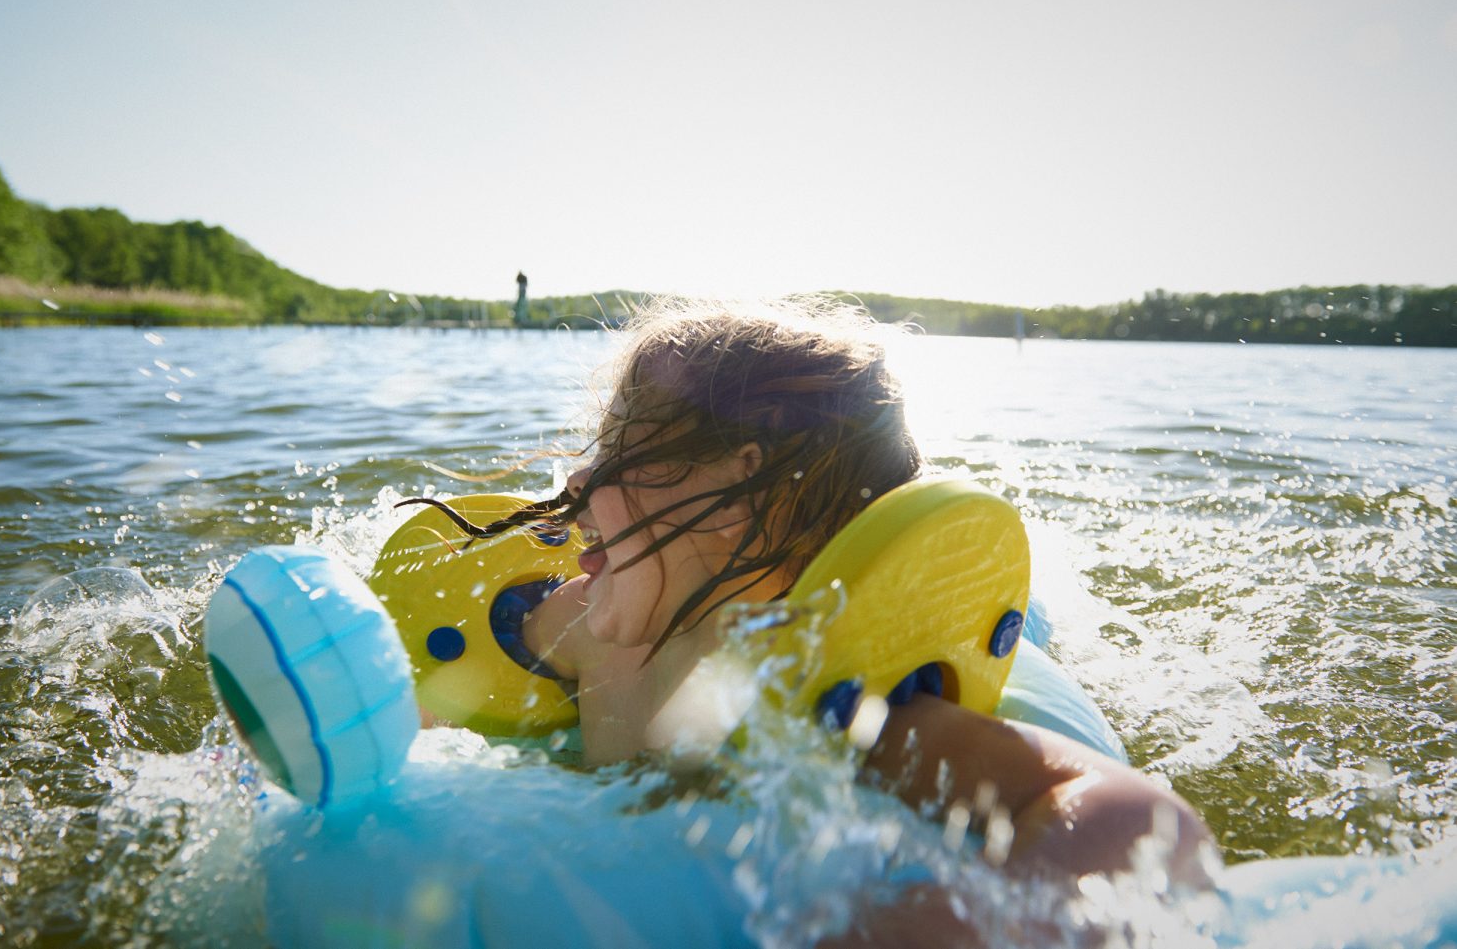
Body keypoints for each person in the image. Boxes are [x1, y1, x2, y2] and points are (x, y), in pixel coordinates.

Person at [508, 296, 1215, 909]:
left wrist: (973, 923)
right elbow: (475, 650)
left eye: (618, 447)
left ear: (738, 482)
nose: (575, 481)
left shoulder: (808, 685)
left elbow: (1139, 815)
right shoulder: (591, 631)